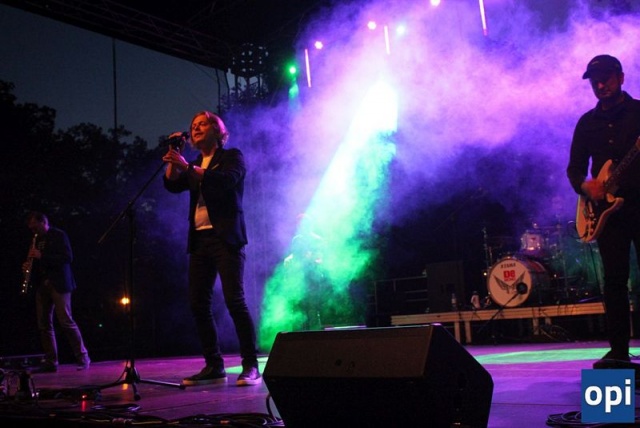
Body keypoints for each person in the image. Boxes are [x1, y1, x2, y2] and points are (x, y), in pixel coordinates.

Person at [162, 110, 261, 386]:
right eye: (193, 125)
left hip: (225, 238)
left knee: (234, 301)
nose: (195, 128)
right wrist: (174, 156)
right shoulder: (193, 163)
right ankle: (214, 366)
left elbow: (226, 181)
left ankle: (251, 365)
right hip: (200, 240)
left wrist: (187, 167)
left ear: (217, 130)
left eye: (202, 124)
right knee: (198, 303)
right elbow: (172, 185)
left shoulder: (232, 157)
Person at [567, 54, 640, 369]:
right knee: (614, 282)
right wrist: (586, 187)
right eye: (595, 81)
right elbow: (574, 169)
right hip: (607, 214)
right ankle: (619, 351)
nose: (600, 85)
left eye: (606, 78)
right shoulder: (587, 123)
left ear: (621, 78)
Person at [22, 211, 91, 372]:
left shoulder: (58, 235)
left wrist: (42, 256)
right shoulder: (36, 240)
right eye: (31, 229)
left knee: (66, 321)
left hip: (60, 284)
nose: (33, 231)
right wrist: (28, 267)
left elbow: (67, 258)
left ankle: (83, 357)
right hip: (42, 284)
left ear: (43, 222)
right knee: (44, 324)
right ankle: (51, 361)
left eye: (35, 227)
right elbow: (39, 262)